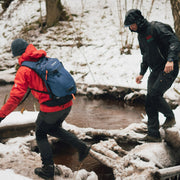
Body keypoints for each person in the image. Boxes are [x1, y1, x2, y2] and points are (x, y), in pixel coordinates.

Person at [0, 38, 90, 179]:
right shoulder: (44, 58)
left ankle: (48, 170)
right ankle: (82, 147)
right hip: (67, 102)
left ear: (19, 54)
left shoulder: (24, 70)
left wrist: (1, 115)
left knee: (40, 133)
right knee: (53, 128)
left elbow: (15, 98)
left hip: (51, 107)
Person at [124, 9, 180, 142]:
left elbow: (175, 42)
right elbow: (146, 56)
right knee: (149, 100)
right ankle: (153, 134)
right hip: (155, 70)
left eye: (132, 24)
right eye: (129, 26)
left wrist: (170, 60)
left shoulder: (156, 27)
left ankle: (170, 117)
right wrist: (141, 73)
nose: (131, 28)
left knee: (154, 94)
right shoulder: (141, 35)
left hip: (168, 68)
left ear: (138, 21)